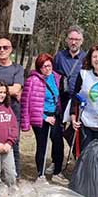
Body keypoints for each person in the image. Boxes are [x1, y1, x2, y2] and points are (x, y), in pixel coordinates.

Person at [20, 53, 65, 183]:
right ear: (39, 67)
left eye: (49, 66)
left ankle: (57, 172)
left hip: (54, 114)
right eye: (44, 66)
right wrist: (44, 117)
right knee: (42, 145)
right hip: (40, 117)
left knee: (58, 143)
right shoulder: (32, 80)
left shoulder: (56, 77)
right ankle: (41, 174)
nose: (47, 69)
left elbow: (58, 97)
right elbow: (28, 103)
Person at [0, 37, 24, 177]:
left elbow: (17, 88)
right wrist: (11, 89)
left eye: (5, 47)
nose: (2, 50)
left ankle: (15, 176)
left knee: (14, 143)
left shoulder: (18, 68)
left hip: (13, 111)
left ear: (11, 49)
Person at [53, 25, 87, 95]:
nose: (73, 42)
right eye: (71, 39)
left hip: (79, 98)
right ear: (67, 40)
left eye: (77, 39)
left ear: (82, 41)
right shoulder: (59, 57)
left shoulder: (86, 59)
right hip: (62, 97)